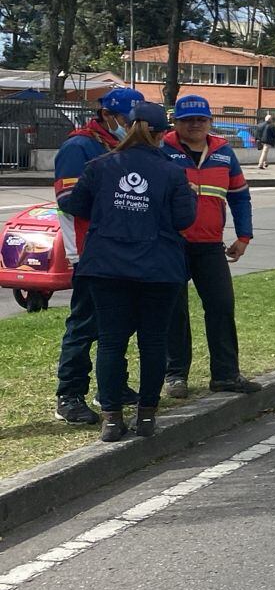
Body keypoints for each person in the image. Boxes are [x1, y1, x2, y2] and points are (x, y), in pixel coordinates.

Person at [59, 103, 197, 442]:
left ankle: (111, 420)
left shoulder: (100, 166)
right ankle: (146, 416)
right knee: (153, 342)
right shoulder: (172, 172)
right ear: (160, 134)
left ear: (128, 127)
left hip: (107, 266)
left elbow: (75, 205)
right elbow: (184, 219)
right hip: (158, 268)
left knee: (110, 341)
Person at [52, 87, 145, 425]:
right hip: (89, 251)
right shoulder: (79, 146)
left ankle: (113, 385)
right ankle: (69, 394)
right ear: (107, 115)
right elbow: (69, 200)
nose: (131, 127)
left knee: (120, 322)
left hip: (120, 250)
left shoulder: (120, 146)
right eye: (127, 121)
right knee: (85, 324)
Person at [159, 96, 262, 399]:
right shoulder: (162, 150)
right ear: (175, 122)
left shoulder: (223, 153)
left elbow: (240, 197)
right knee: (174, 311)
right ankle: (175, 375)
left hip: (210, 245)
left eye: (201, 119)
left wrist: (244, 236)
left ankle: (226, 375)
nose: (195, 125)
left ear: (209, 122)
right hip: (171, 245)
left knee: (221, 307)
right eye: (187, 120)